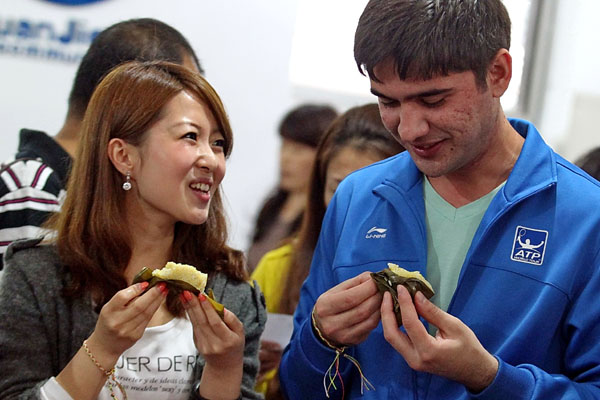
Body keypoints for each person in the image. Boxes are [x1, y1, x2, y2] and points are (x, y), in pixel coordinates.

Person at [279, 1, 600, 399]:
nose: (410, 129)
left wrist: (491, 378)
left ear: (497, 74)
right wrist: (319, 340)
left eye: (433, 100)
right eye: (388, 102)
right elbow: (300, 387)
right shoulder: (357, 199)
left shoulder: (586, 218)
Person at [0, 61, 266, 400]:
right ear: (123, 156)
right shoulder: (36, 275)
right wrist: (100, 350)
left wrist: (224, 369)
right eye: (190, 137)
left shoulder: (231, 291)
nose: (212, 160)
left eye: (217, 143)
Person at [0, 18, 202, 269]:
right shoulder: (32, 186)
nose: (196, 112)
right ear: (126, 98)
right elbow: (36, 303)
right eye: (182, 94)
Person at [251, 103, 404, 399]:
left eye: (373, 191)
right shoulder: (278, 266)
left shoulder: (421, 278)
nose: (353, 206)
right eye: (339, 189)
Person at [246, 104, 337, 272]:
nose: (285, 158)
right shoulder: (272, 206)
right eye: (284, 146)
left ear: (323, 155)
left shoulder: (324, 216)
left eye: (297, 150)